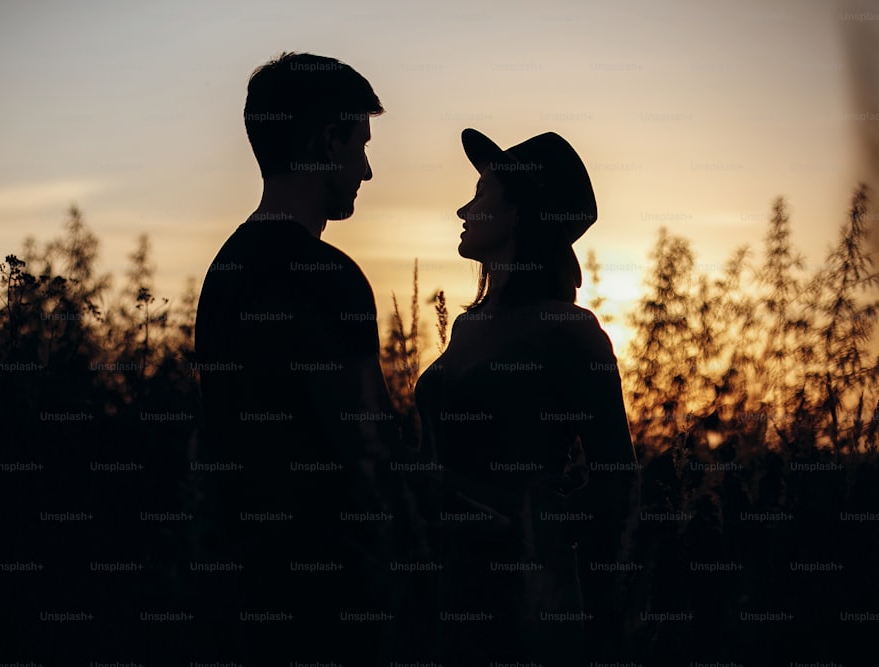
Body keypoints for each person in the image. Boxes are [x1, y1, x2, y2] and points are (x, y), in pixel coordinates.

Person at [192, 52, 419, 665]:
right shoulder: (329, 278)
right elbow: (370, 457)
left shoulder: (225, 272)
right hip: (336, 604)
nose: (367, 171)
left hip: (246, 596)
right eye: (361, 145)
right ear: (328, 140)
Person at [411, 128, 640, 664]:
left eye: (482, 193)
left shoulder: (572, 331)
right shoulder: (468, 327)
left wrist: (528, 527)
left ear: (519, 212)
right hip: (437, 585)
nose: (464, 208)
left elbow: (619, 479)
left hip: (519, 600)